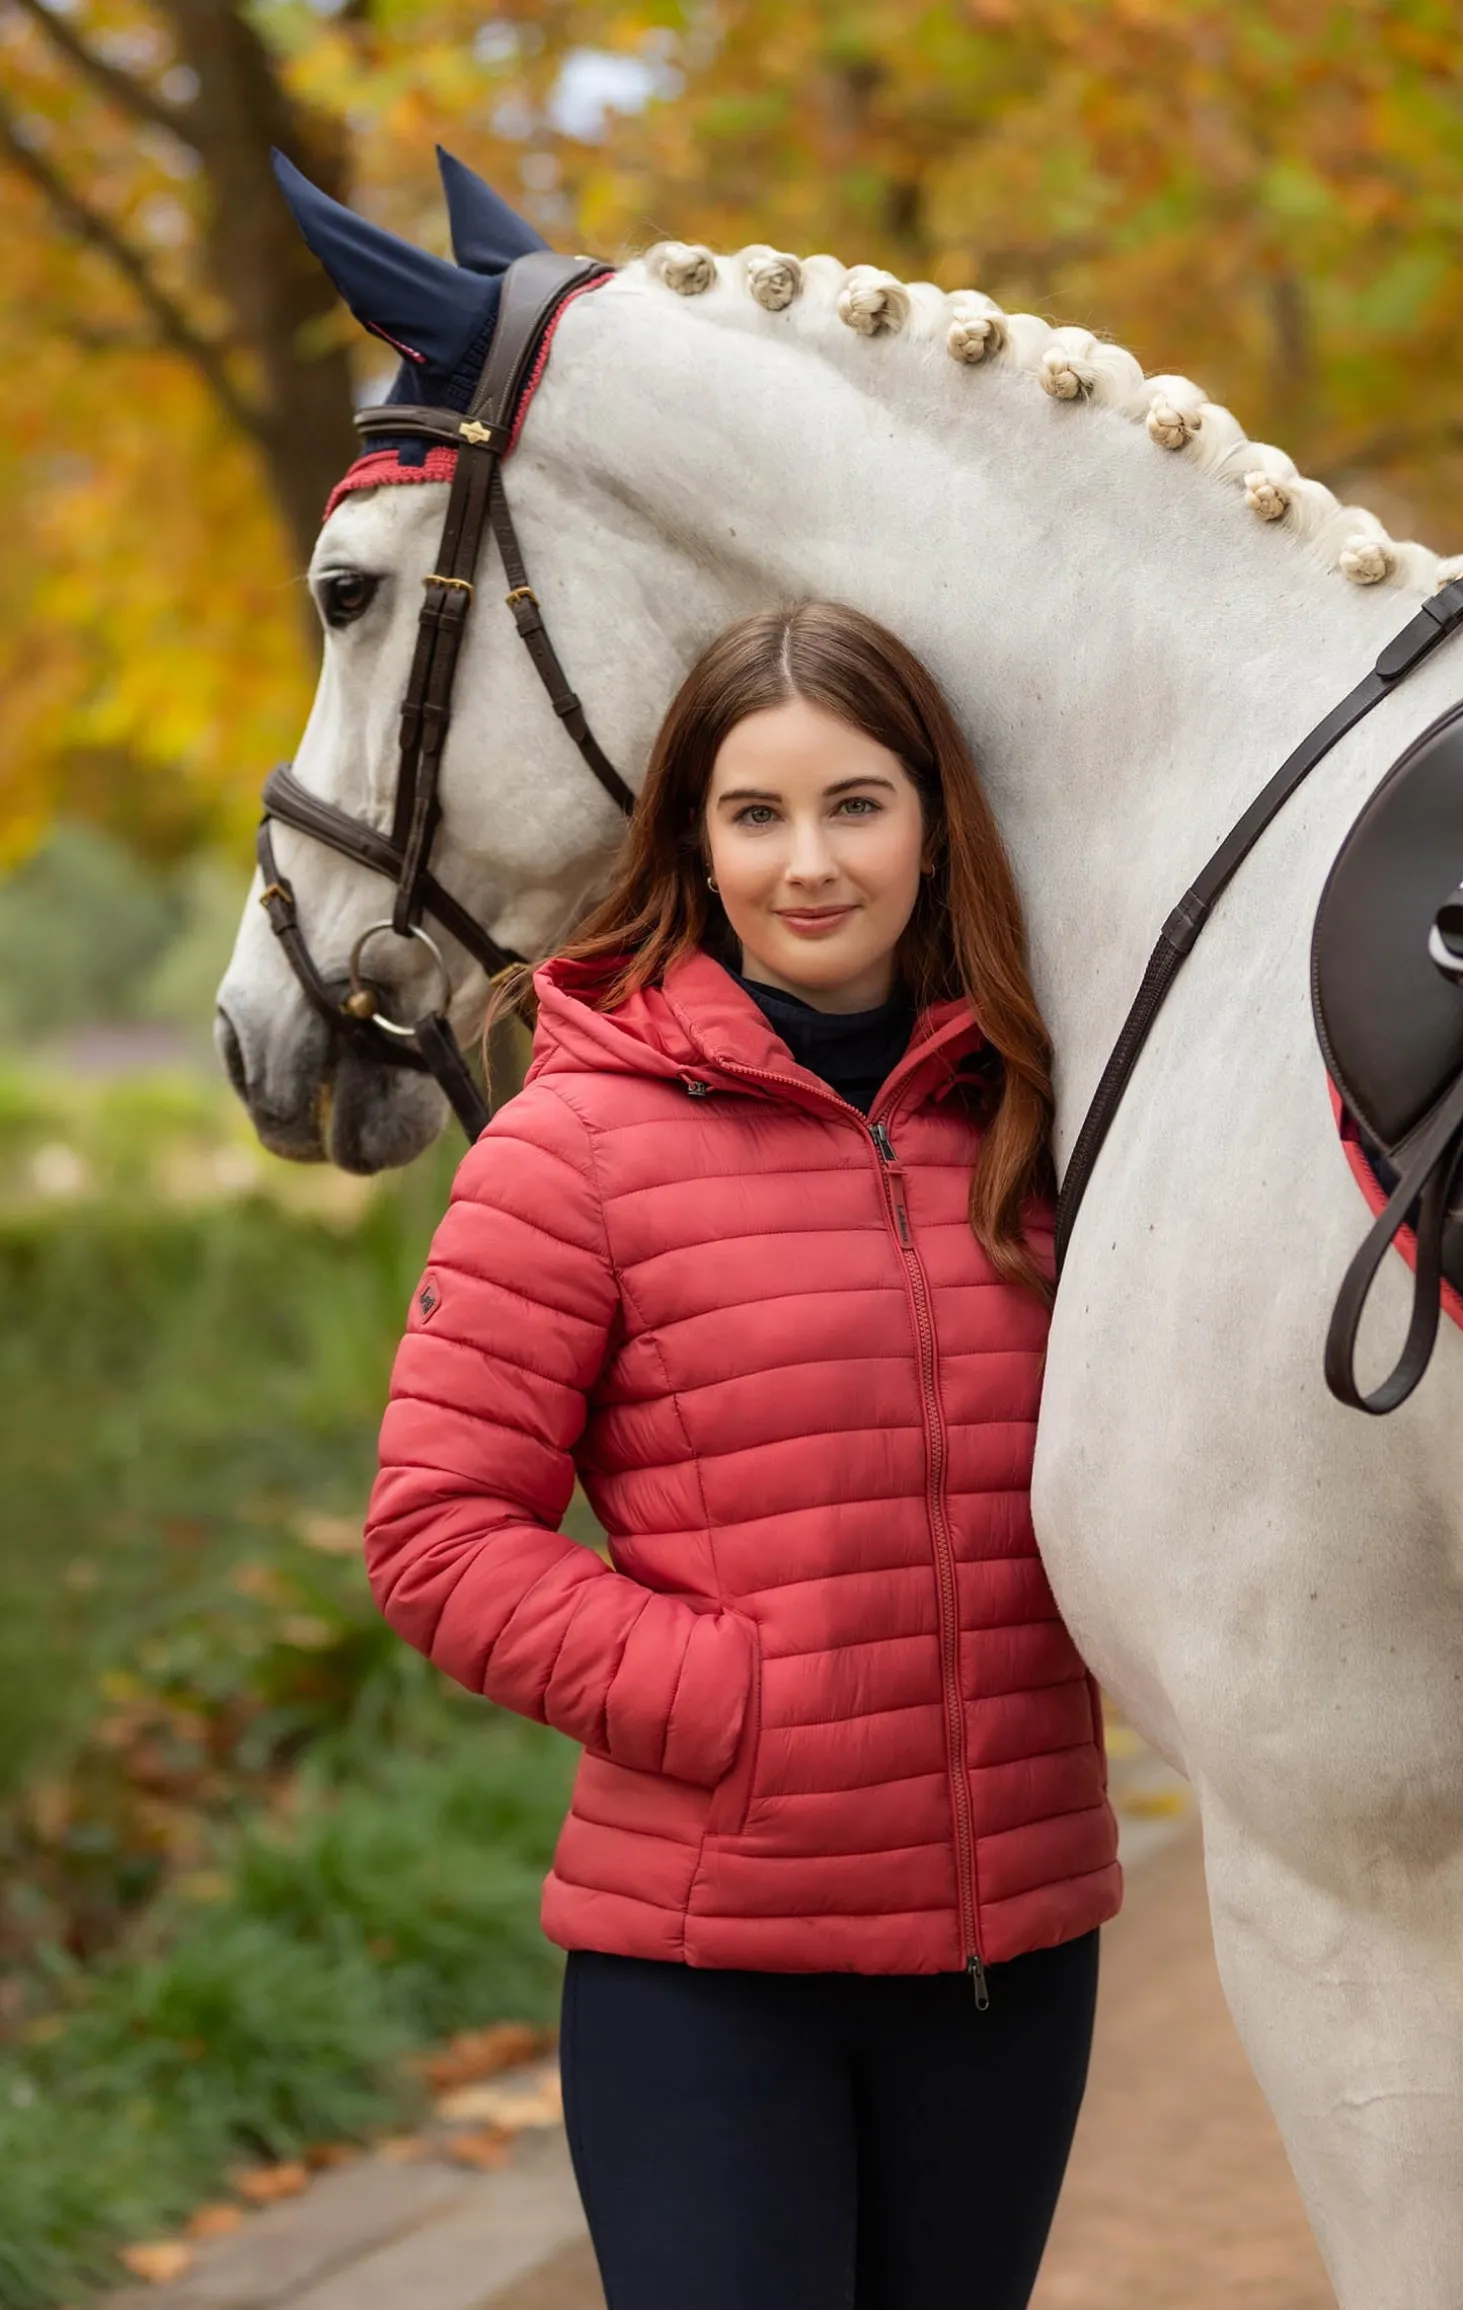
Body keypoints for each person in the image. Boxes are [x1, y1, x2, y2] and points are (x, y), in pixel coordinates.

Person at [363, 601, 1120, 2310]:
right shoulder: (573, 1144)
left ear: (936, 826)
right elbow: (437, 1530)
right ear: (694, 848)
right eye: (755, 814)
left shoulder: (1047, 1122)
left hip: (1013, 1946)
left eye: (857, 804)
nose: (810, 863)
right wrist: (739, 1701)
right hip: (712, 1965)